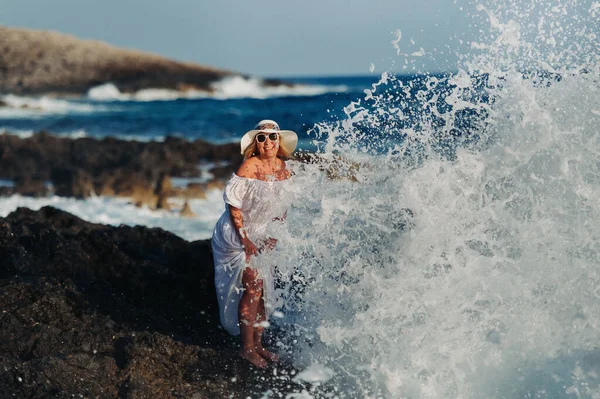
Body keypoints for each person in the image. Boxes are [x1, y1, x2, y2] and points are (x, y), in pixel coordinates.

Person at [211, 119, 296, 368]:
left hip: (261, 233)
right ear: (255, 143)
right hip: (235, 234)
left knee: (261, 290)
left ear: (279, 141)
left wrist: (274, 235)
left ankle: (258, 344)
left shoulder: (284, 169)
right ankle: (246, 349)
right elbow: (233, 205)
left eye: (272, 137)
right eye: (261, 137)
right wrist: (244, 238)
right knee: (254, 285)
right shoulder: (249, 166)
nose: (267, 142)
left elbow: (282, 209)